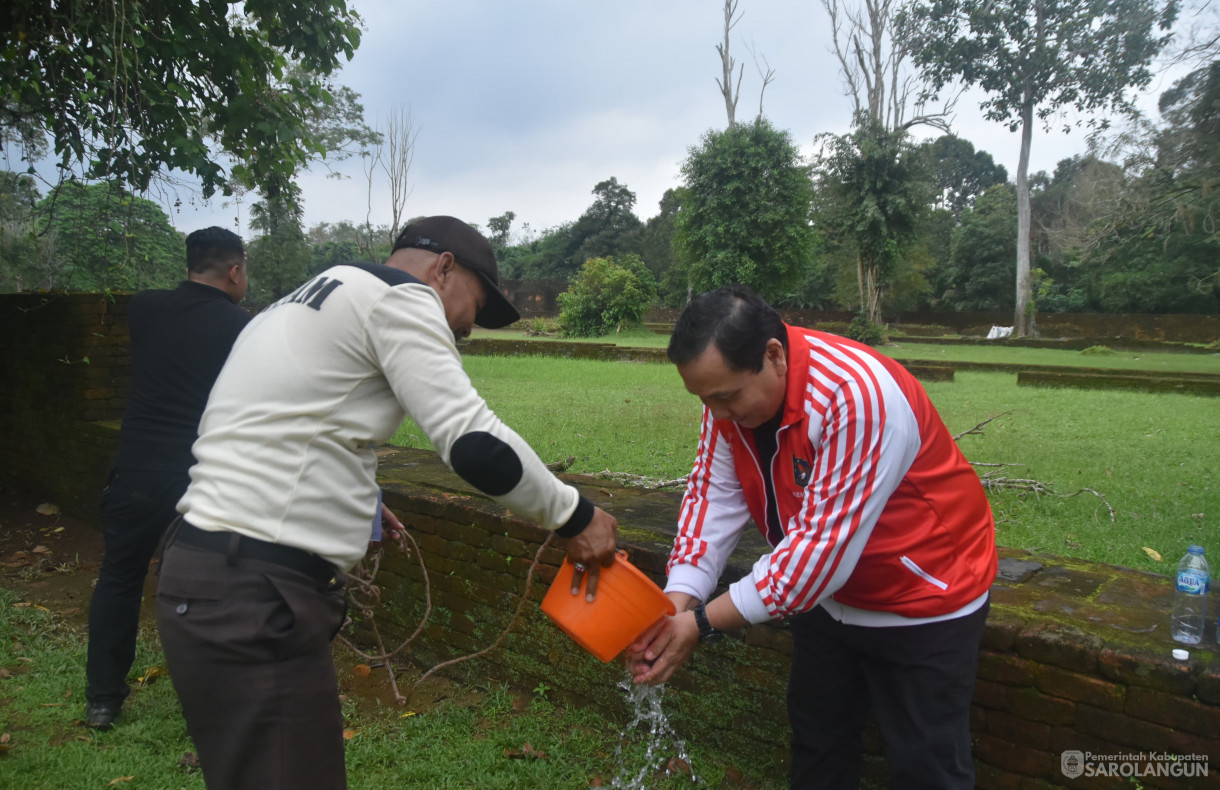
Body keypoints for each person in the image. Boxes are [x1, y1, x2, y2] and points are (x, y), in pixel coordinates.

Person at [155, 215, 619, 790]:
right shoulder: (400, 298)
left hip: (203, 574)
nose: (460, 337)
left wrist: (357, 497)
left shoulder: (293, 303)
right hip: (254, 594)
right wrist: (574, 515)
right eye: (464, 317)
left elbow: (276, 426)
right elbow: (473, 442)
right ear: (443, 269)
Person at [627, 286, 998, 790]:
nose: (715, 415)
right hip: (827, 603)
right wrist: (675, 601)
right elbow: (713, 498)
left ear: (773, 355)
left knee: (926, 765)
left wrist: (699, 623)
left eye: (726, 396)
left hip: (924, 597)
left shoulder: (859, 397)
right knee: (818, 744)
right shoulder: (730, 405)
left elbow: (816, 559)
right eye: (704, 399)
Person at [84, 227, 250, 730]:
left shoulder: (144, 308)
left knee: (119, 575)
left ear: (189, 263)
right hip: (202, 472)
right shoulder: (242, 327)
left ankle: (102, 700)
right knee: (215, 588)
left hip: (136, 467)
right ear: (235, 270)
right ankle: (213, 706)